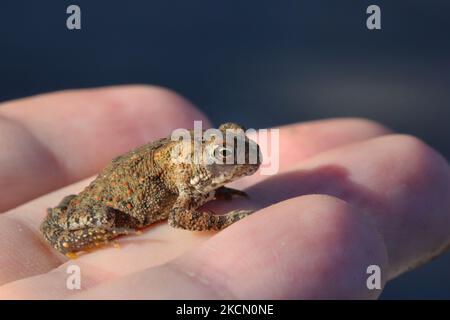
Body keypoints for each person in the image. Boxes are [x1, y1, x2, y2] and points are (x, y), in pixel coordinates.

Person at [0, 85, 449, 299]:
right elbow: (181, 218)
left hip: (138, 176)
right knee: (98, 221)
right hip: (111, 203)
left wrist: (225, 189)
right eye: (223, 157)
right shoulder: (187, 179)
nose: (237, 156)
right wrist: (226, 219)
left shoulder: (198, 166)